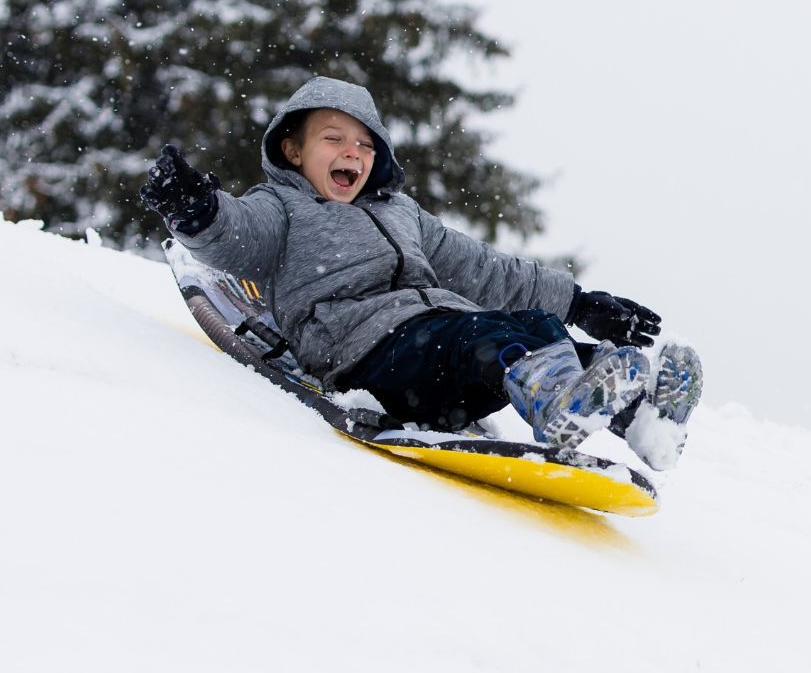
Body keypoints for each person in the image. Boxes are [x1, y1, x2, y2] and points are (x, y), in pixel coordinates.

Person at [139, 75, 700, 469]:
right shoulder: (281, 207)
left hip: (439, 349)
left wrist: (578, 304)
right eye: (332, 139)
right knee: (488, 338)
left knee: (528, 327)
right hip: (365, 353)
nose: (351, 154)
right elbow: (234, 239)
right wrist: (198, 212)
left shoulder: (401, 213)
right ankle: (559, 404)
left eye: (363, 144)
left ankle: (642, 414)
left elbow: (484, 268)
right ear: (292, 150)